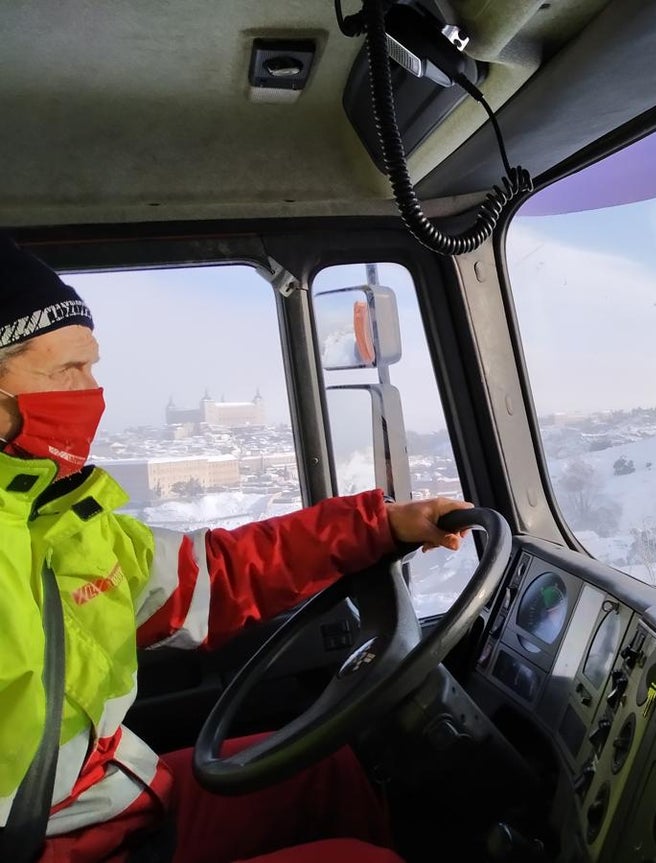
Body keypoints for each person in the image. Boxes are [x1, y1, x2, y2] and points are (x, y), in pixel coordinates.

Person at [0, 237, 469, 863]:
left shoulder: (56, 519)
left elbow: (210, 577)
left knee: (327, 772)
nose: (93, 393)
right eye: (68, 371)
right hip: (57, 845)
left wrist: (376, 526)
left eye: (91, 367)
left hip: (104, 808)